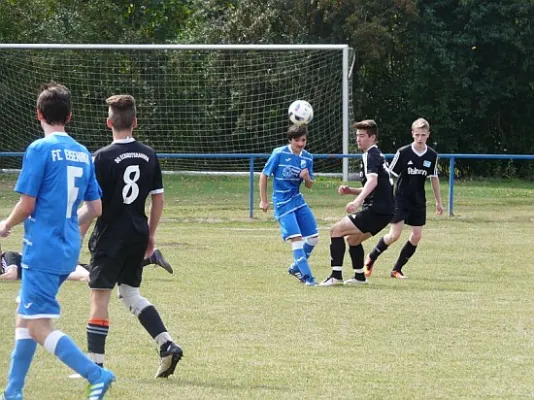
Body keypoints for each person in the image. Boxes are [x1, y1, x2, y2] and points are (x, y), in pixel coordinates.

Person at [0, 82, 114, 400]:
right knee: (26, 318)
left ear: (38, 114)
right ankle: (13, 391)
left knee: (38, 327)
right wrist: (67, 229)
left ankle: (96, 374)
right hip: (66, 250)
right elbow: (95, 208)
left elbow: (28, 204)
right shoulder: (81, 153)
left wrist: (6, 225)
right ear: (70, 116)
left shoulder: (39, 149)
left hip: (42, 251)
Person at [81, 94, 182, 379]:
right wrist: (150, 235)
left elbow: (93, 206)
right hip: (137, 233)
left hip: (110, 236)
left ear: (108, 122)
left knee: (99, 298)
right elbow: (158, 200)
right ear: (135, 122)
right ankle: (167, 344)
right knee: (130, 294)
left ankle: (95, 367)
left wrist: (76, 235)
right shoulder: (150, 154)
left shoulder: (101, 157)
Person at [364, 118, 444, 279]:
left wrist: (439, 202)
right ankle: (371, 258)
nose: (420, 138)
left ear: (428, 135)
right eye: (417, 135)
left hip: (419, 200)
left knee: (416, 235)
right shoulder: (404, 152)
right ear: (412, 134)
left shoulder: (432, 155)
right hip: (400, 198)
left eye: (423, 135)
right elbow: (389, 176)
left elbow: (434, 178)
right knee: (394, 235)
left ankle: (396, 269)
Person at [320, 119, 394, 286]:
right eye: (357, 135)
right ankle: (359, 277)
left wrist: (356, 201)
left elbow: (373, 182)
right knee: (353, 240)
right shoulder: (376, 154)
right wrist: (351, 191)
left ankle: (335, 276)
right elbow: (377, 186)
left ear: (372, 137)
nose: (358, 139)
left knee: (335, 230)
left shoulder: (371, 155)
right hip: (385, 212)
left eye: (362, 136)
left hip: (376, 210)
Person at [259, 124, 319, 286]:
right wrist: (263, 200)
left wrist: (306, 177)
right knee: (296, 238)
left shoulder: (307, 158)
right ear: (290, 140)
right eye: (297, 141)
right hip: (282, 202)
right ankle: (308, 278)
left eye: (303, 140)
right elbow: (264, 175)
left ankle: (295, 267)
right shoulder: (279, 154)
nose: (301, 144)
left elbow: (309, 185)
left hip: (297, 200)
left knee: (313, 238)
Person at [0, 244, 173, 282]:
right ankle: (149, 258)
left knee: (89, 278)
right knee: (104, 271)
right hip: (55, 266)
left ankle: (148, 257)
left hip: (57, 265)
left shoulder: (8, 256)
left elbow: (12, 275)